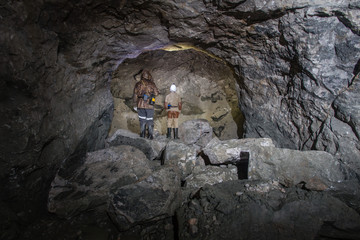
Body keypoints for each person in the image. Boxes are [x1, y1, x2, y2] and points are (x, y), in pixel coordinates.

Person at [133, 70, 159, 139]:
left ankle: (142, 136)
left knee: (142, 120)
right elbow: (156, 93)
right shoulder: (152, 84)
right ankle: (150, 136)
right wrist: (151, 93)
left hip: (140, 104)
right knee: (149, 120)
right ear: (149, 76)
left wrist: (135, 104)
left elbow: (135, 95)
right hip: (149, 105)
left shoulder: (138, 84)